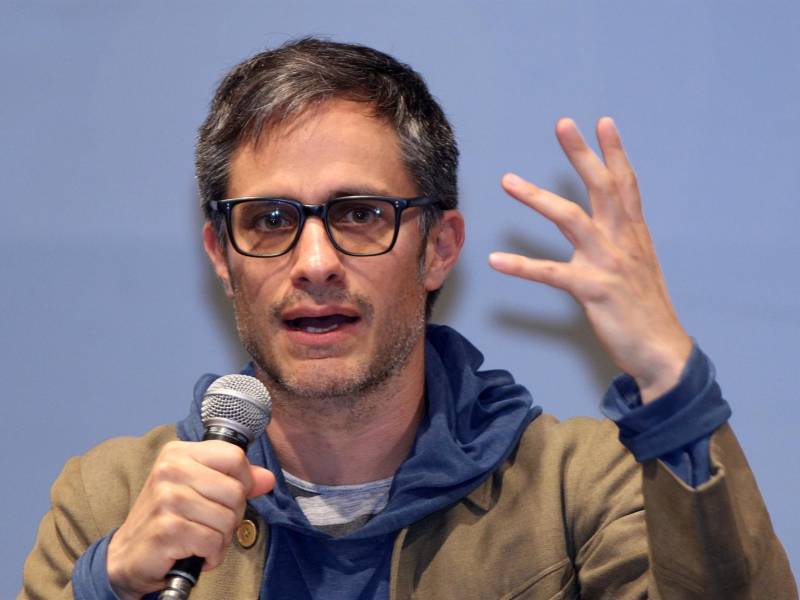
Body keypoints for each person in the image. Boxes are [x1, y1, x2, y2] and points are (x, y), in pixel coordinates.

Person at [19, 38, 796, 600]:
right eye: (268, 220)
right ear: (221, 256)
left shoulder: (576, 490)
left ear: (437, 248)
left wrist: (669, 379)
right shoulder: (110, 499)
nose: (314, 261)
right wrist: (108, 584)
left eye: (359, 214)